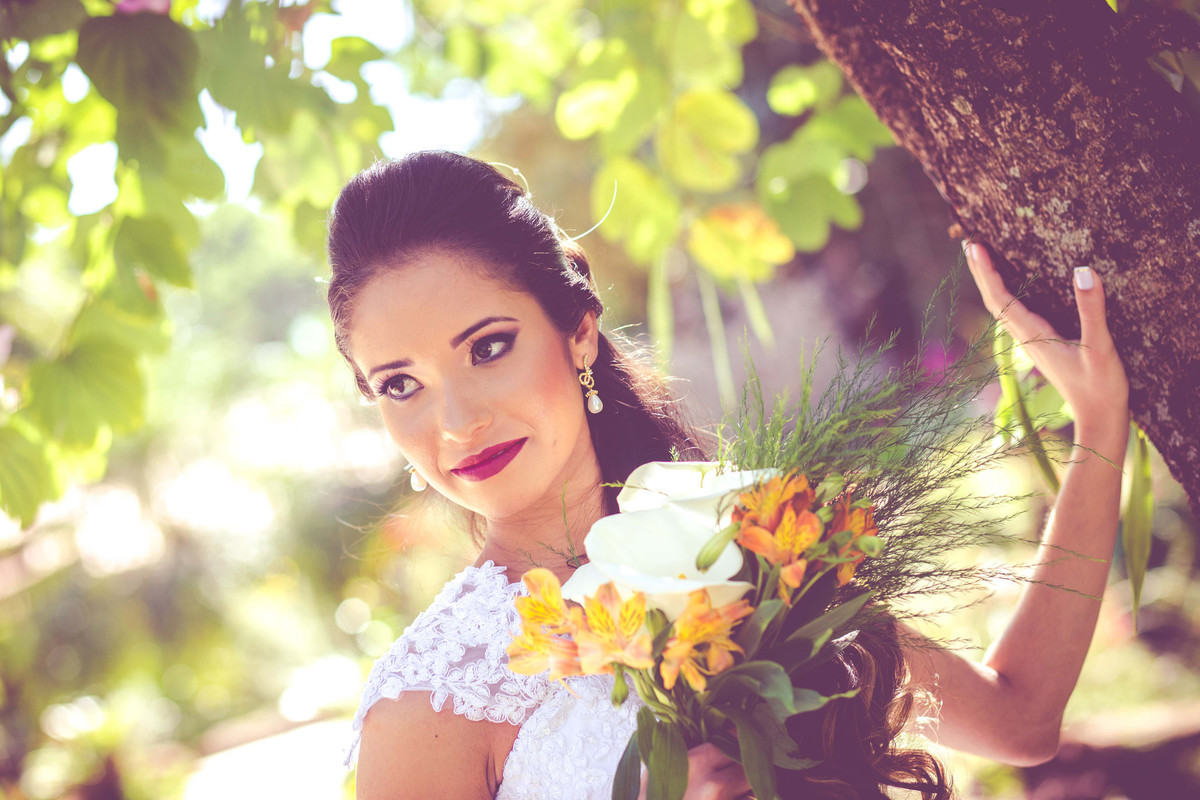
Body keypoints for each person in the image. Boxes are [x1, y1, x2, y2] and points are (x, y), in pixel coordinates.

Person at [327, 150, 1130, 799]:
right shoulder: (428, 705)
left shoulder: (747, 538)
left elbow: (1019, 720)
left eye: (488, 346)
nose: (456, 420)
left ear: (577, 331)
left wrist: (1099, 427)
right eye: (401, 384)